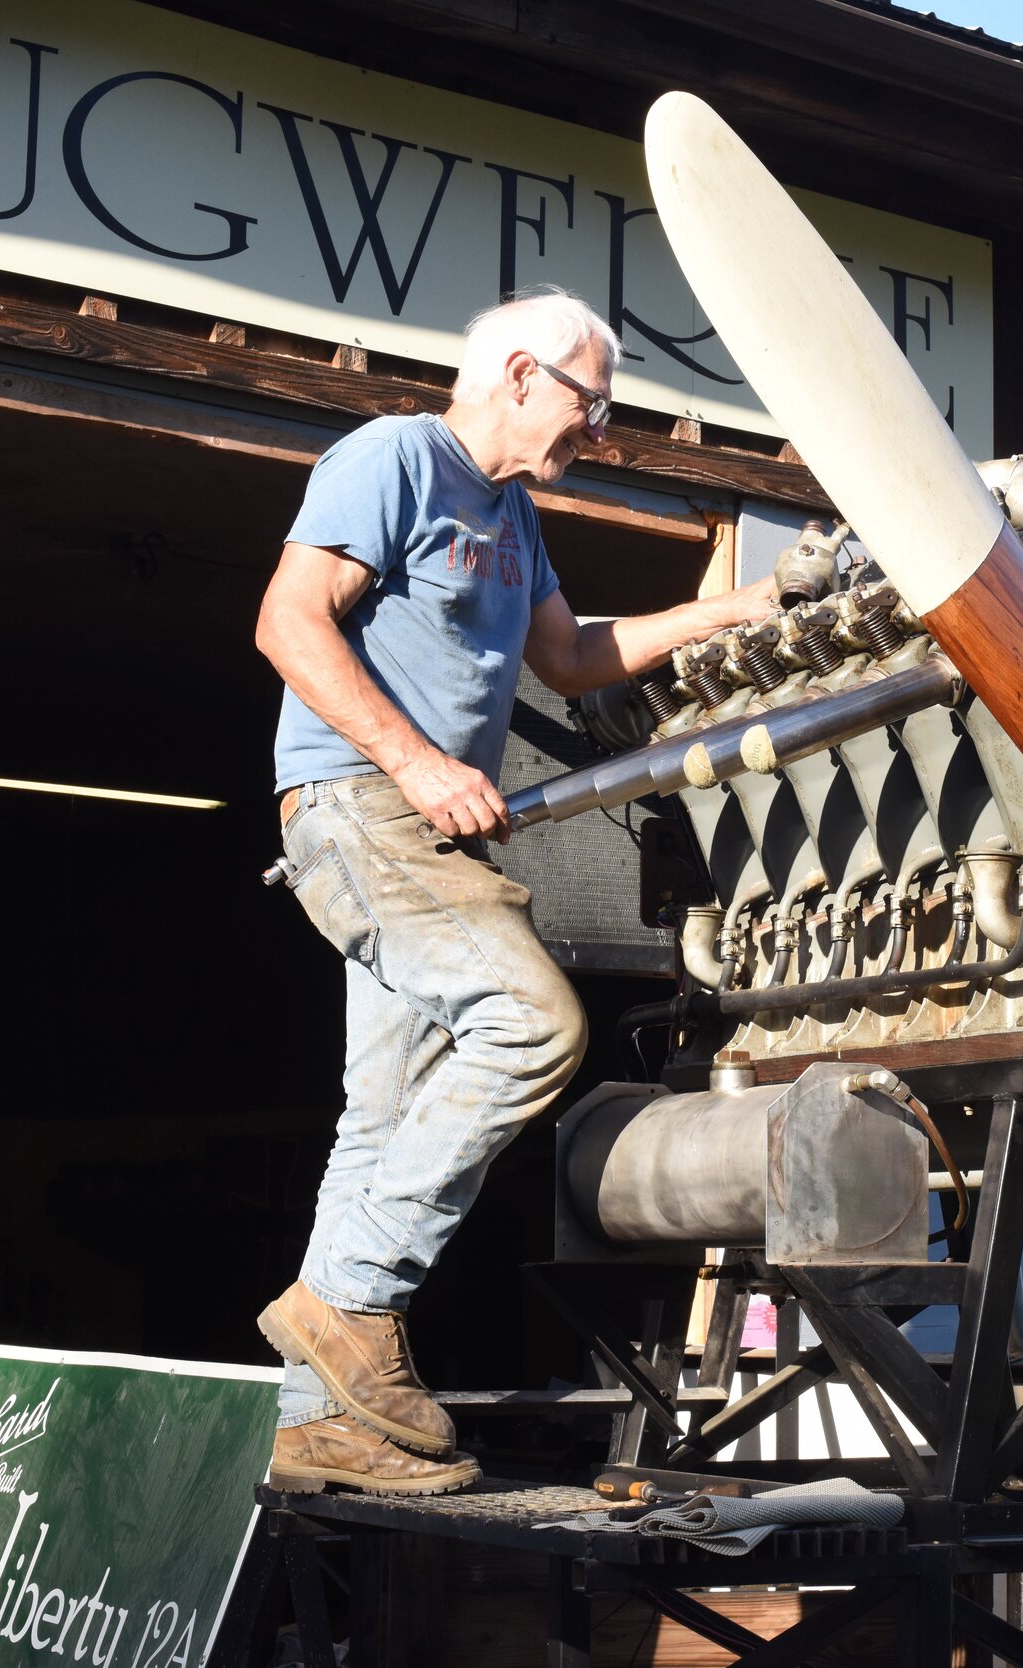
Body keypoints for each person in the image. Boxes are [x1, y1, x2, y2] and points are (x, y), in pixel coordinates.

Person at [252, 287, 774, 1494]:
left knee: (379, 1117)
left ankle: (316, 1425)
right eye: (594, 404)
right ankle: (345, 1304)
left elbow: (573, 656)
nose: (597, 430)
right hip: (360, 809)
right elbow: (288, 622)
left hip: (418, 833)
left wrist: (738, 608)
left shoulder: (513, 517)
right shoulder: (393, 457)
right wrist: (421, 761)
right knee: (531, 1025)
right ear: (525, 373)